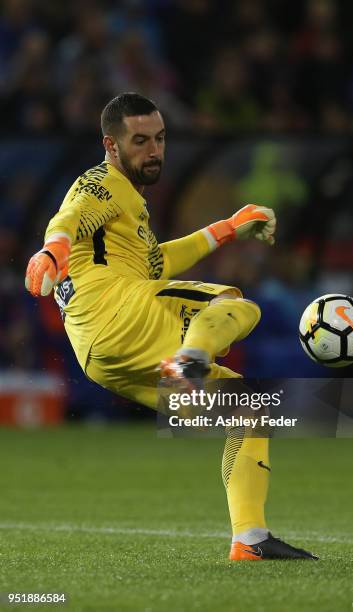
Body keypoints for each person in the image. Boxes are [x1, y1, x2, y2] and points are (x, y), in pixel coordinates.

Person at [25, 92, 317, 561]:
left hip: (100, 353)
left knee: (248, 412)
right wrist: (52, 251)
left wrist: (227, 227)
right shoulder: (102, 184)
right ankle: (189, 361)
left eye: (160, 139)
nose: (154, 150)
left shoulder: (130, 212)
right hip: (117, 310)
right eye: (139, 141)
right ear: (111, 145)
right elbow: (68, 219)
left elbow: (156, 264)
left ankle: (250, 539)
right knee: (235, 304)